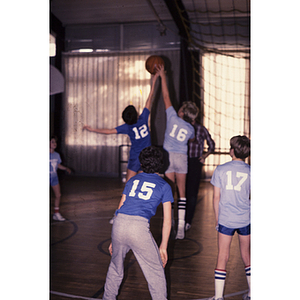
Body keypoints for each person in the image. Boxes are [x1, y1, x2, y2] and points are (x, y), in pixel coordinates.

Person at [102, 146, 173, 300]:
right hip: (138, 228)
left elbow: (120, 207)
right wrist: (164, 246)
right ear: (161, 164)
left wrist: (113, 238)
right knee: (156, 272)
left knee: (115, 268)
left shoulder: (132, 180)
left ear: (141, 164)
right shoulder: (164, 185)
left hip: (119, 224)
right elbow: (167, 220)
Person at [83, 73, 159, 182]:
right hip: (147, 156)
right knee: (143, 182)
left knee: (129, 185)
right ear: (136, 114)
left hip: (135, 157)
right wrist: (154, 79)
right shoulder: (143, 118)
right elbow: (150, 97)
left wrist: (92, 129)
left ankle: (126, 199)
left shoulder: (127, 127)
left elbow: (109, 131)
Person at [156, 64, 199, 239]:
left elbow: (166, 95)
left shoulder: (173, 116)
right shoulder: (190, 129)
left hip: (168, 157)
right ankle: (181, 226)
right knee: (182, 192)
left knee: (170, 191)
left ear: (181, 112)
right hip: (181, 158)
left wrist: (162, 76)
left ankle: (171, 221)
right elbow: (192, 139)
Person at [209, 135, 251, 300]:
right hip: (245, 219)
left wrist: (217, 220)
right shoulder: (251, 171)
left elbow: (216, 198)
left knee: (222, 256)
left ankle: (218, 297)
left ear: (232, 151)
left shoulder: (220, 169)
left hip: (226, 219)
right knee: (246, 256)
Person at [185, 119, 215, 231]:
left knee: (192, 193)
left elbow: (211, 145)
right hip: (184, 160)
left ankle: (188, 220)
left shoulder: (201, 129)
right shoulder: (183, 126)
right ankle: (182, 219)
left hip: (195, 161)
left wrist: (204, 156)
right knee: (183, 192)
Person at [50, 135, 71, 221]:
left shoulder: (56, 155)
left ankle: (56, 213)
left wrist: (65, 168)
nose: (55, 144)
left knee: (58, 195)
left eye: (55, 142)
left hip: (54, 177)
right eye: (52, 142)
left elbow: (58, 165)